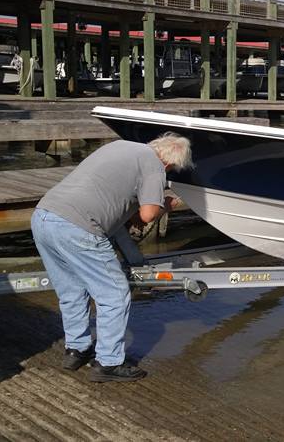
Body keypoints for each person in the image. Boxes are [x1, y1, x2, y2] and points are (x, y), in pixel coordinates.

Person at [31, 132, 193, 383]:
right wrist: (167, 205)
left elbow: (114, 197)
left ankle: (77, 349)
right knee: (114, 294)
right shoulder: (154, 165)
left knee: (71, 289)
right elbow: (149, 214)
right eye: (172, 170)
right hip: (79, 226)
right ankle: (108, 363)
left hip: (43, 216)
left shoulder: (120, 146)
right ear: (169, 163)